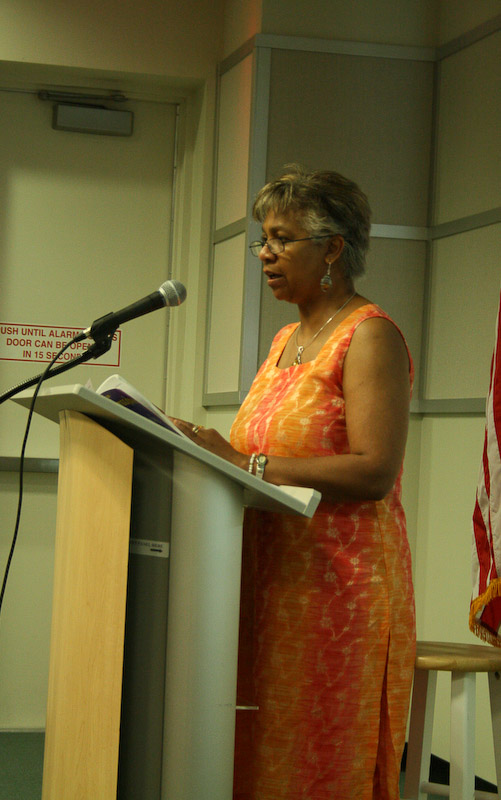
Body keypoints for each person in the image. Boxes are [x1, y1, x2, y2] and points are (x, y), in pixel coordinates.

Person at [172, 166, 415, 800]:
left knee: (319, 758)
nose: (265, 253)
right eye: (264, 238)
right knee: (261, 754)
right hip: (268, 580)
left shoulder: (369, 336)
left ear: (332, 248)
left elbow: (374, 469)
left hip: (337, 591)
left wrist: (242, 463)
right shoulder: (285, 339)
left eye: (282, 238)